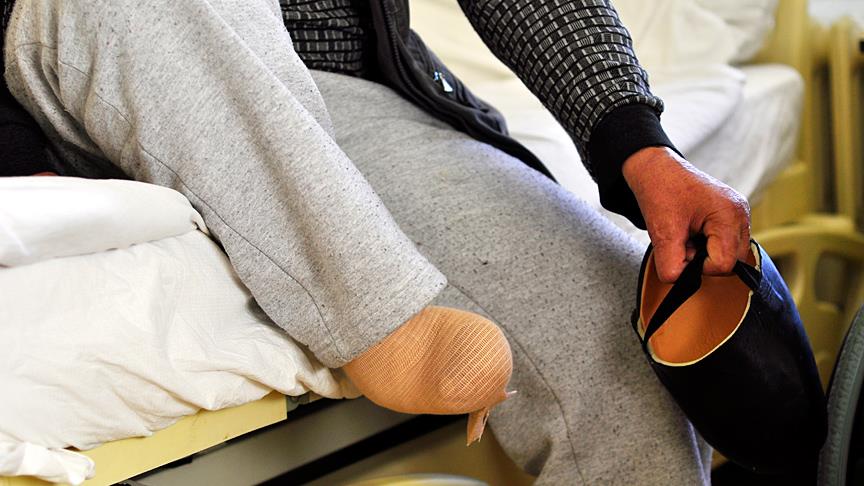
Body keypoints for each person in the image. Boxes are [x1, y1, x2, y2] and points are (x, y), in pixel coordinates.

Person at [1, 0, 751, 483]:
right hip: (80, 75)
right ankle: (379, 318)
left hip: (331, 94)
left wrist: (636, 140)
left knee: (613, 334)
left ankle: (373, 308)